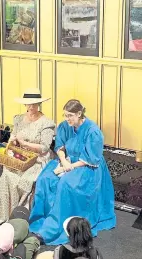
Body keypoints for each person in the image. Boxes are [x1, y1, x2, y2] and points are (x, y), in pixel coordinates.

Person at [29, 99, 116, 245]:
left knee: (66, 184)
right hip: (67, 161)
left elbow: (91, 159)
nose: (67, 119)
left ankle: (53, 228)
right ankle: (42, 218)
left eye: (70, 115)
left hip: (86, 165)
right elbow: (60, 147)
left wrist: (71, 167)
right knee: (45, 179)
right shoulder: (65, 126)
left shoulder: (93, 131)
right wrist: (63, 162)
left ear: (79, 114)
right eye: (65, 115)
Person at [0, 88, 55, 224]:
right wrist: (13, 141)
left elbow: (45, 147)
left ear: (39, 104)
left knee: (23, 180)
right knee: (8, 175)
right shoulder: (19, 119)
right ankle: (4, 212)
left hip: (38, 159)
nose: (31, 107)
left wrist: (24, 143)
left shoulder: (46, 123)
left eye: (34, 104)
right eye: (29, 104)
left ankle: (18, 214)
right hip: (20, 156)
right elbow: (13, 136)